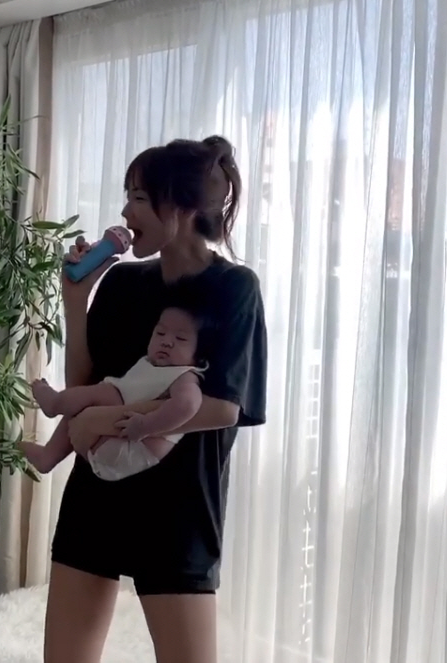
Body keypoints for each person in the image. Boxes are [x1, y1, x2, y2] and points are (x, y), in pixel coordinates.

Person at [45, 135, 267, 663]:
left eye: (140, 198)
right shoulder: (122, 283)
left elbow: (223, 408)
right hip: (98, 491)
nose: (125, 211)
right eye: (128, 196)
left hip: (180, 506)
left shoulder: (234, 288)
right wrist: (75, 302)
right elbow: (83, 384)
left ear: (184, 209)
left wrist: (106, 419)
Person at [22, 301, 208, 481]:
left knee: (105, 393)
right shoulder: (152, 365)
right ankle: (48, 456)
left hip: (132, 449)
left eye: (180, 339)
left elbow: (188, 404)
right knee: (83, 403)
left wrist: (145, 425)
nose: (166, 341)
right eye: (160, 333)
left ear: (199, 354)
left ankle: (55, 404)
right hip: (115, 445)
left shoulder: (184, 375)